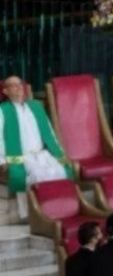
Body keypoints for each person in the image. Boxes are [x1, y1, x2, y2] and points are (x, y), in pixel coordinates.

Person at [0, 75, 73, 219]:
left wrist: (59, 152)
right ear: (5, 91)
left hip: (41, 154)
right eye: (13, 85)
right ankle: (34, 215)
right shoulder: (3, 110)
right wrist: (2, 161)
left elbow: (50, 132)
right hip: (21, 156)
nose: (19, 87)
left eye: (20, 84)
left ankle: (60, 210)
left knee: (60, 170)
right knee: (36, 176)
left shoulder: (36, 106)